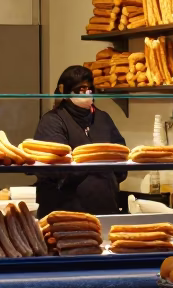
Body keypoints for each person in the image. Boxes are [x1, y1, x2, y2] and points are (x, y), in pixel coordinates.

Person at [32, 65, 127, 217]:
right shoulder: (52, 121)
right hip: (65, 214)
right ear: (65, 91)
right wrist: (96, 165)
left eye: (90, 89)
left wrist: (106, 178)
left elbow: (122, 160)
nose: (87, 93)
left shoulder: (103, 118)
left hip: (106, 211)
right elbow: (57, 169)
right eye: (81, 89)